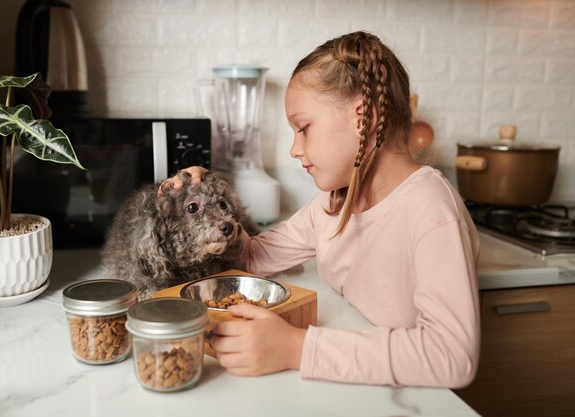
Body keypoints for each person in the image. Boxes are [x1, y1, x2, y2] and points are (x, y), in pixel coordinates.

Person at [159, 31, 480, 388]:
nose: (294, 150)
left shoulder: (431, 209)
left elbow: (452, 356)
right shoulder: (333, 205)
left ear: (364, 117)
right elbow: (250, 258)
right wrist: (206, 198)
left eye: (303, 128)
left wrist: (296, 348)